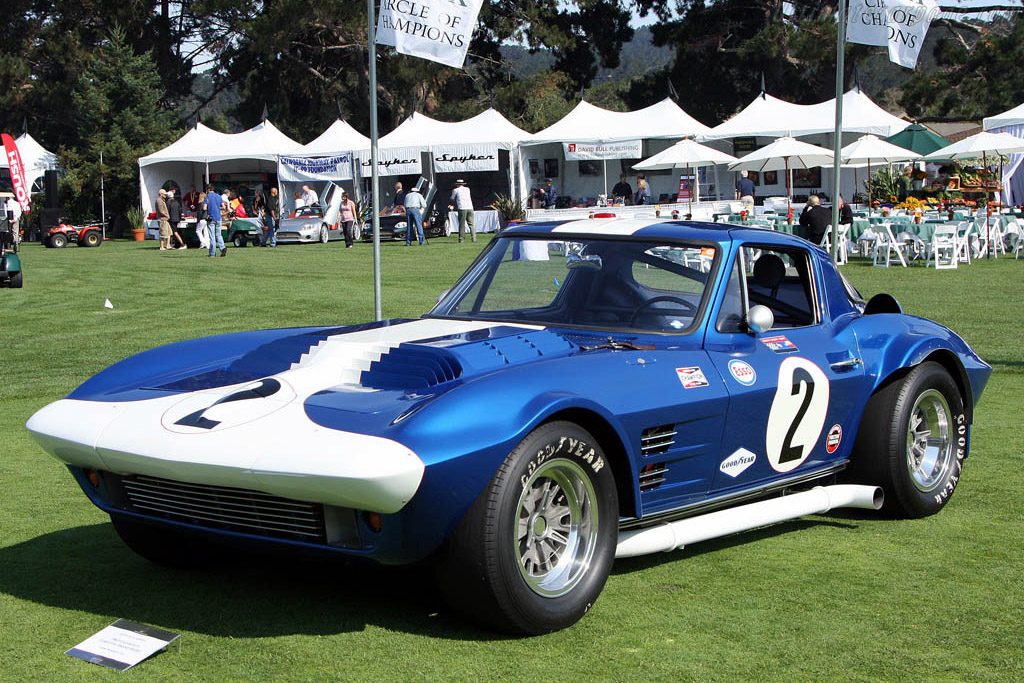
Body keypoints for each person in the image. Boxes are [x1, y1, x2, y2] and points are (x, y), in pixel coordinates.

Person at [204, 183, 227, 257]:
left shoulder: (207, 197)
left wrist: (208, 208)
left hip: (211, 218)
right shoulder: (218, 196)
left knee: (212, 236)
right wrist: (217, 208)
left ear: (208, 189)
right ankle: (222, 247)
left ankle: (212, 253)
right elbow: (223, 207)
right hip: (218, 217)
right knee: (219, 235)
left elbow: (204, 207)